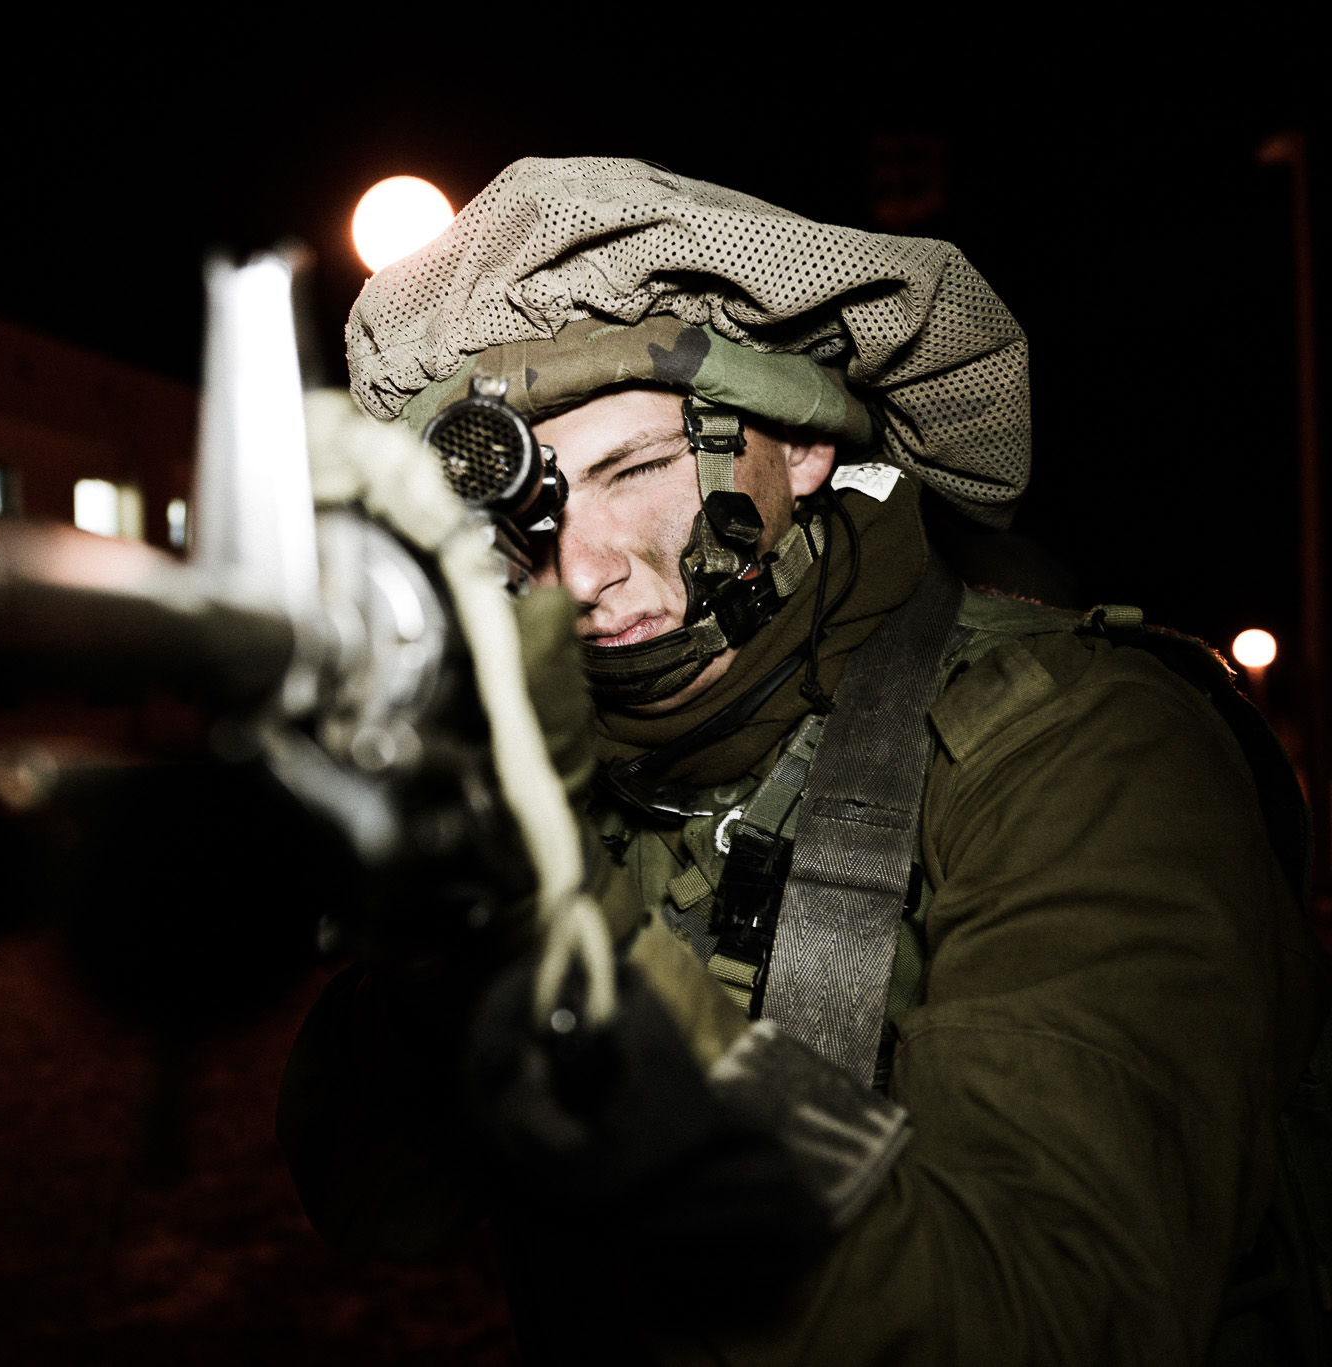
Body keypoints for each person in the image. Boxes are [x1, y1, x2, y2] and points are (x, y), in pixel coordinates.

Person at [277, 157, 1326, 1365]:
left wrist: (565, 945)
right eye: (528, 512)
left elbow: (1040, 1312)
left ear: (802, 446)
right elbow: (375, 1205)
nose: (582, 570)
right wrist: (438, 935)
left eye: (636, 469)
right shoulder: (552, 765)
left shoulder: (1084, 747)